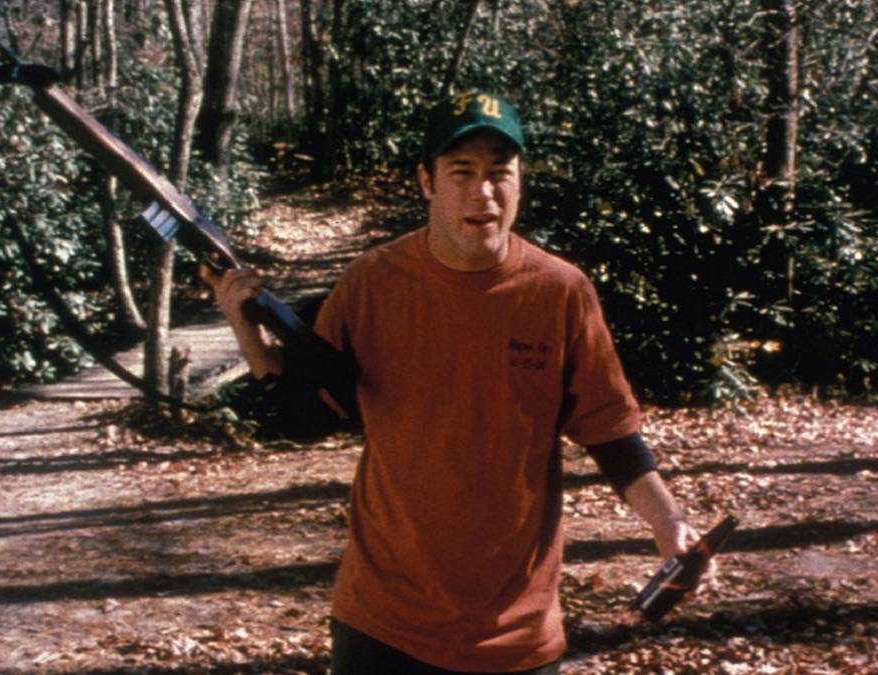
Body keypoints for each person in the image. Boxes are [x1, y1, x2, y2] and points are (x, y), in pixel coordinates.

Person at [203, 91, 706, 674]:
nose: (483, 191)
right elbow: (304, 416)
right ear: (426, 181)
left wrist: (669, 524)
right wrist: (248, 331)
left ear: (520, 182)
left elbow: (611, 434)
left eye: (500, 173)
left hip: (516, 633)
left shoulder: (560, 292)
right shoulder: (371, 284)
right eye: (461, 172)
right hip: (383, 624)